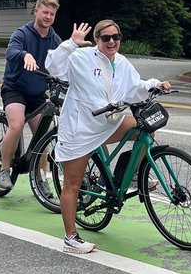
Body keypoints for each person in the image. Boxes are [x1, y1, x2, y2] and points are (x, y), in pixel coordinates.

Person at [46, 19, 170, 253]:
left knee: (146, 128)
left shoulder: (121, 62)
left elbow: (135, 87)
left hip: (109, 123)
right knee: (72, 182)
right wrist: (71, 44)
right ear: (97, 40)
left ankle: (132, 175)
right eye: (106, 38)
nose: (112, 41)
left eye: (116, 37)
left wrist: (155, 85)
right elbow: (54, 67)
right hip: (80, 129)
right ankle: (71, 237)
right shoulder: (81, 57)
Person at [0, 0, 63, 190]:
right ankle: (4, 169)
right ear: (35, 11)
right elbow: (10, 52)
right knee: (16, 125)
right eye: (45, 12)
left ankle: (41, 178)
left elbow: (62, 64)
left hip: (37, 93)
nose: (48, 17)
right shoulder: (22, 33)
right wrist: (25, 55)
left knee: (43, 136)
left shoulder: (55, 40)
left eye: (52, 14)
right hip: (15, 88)